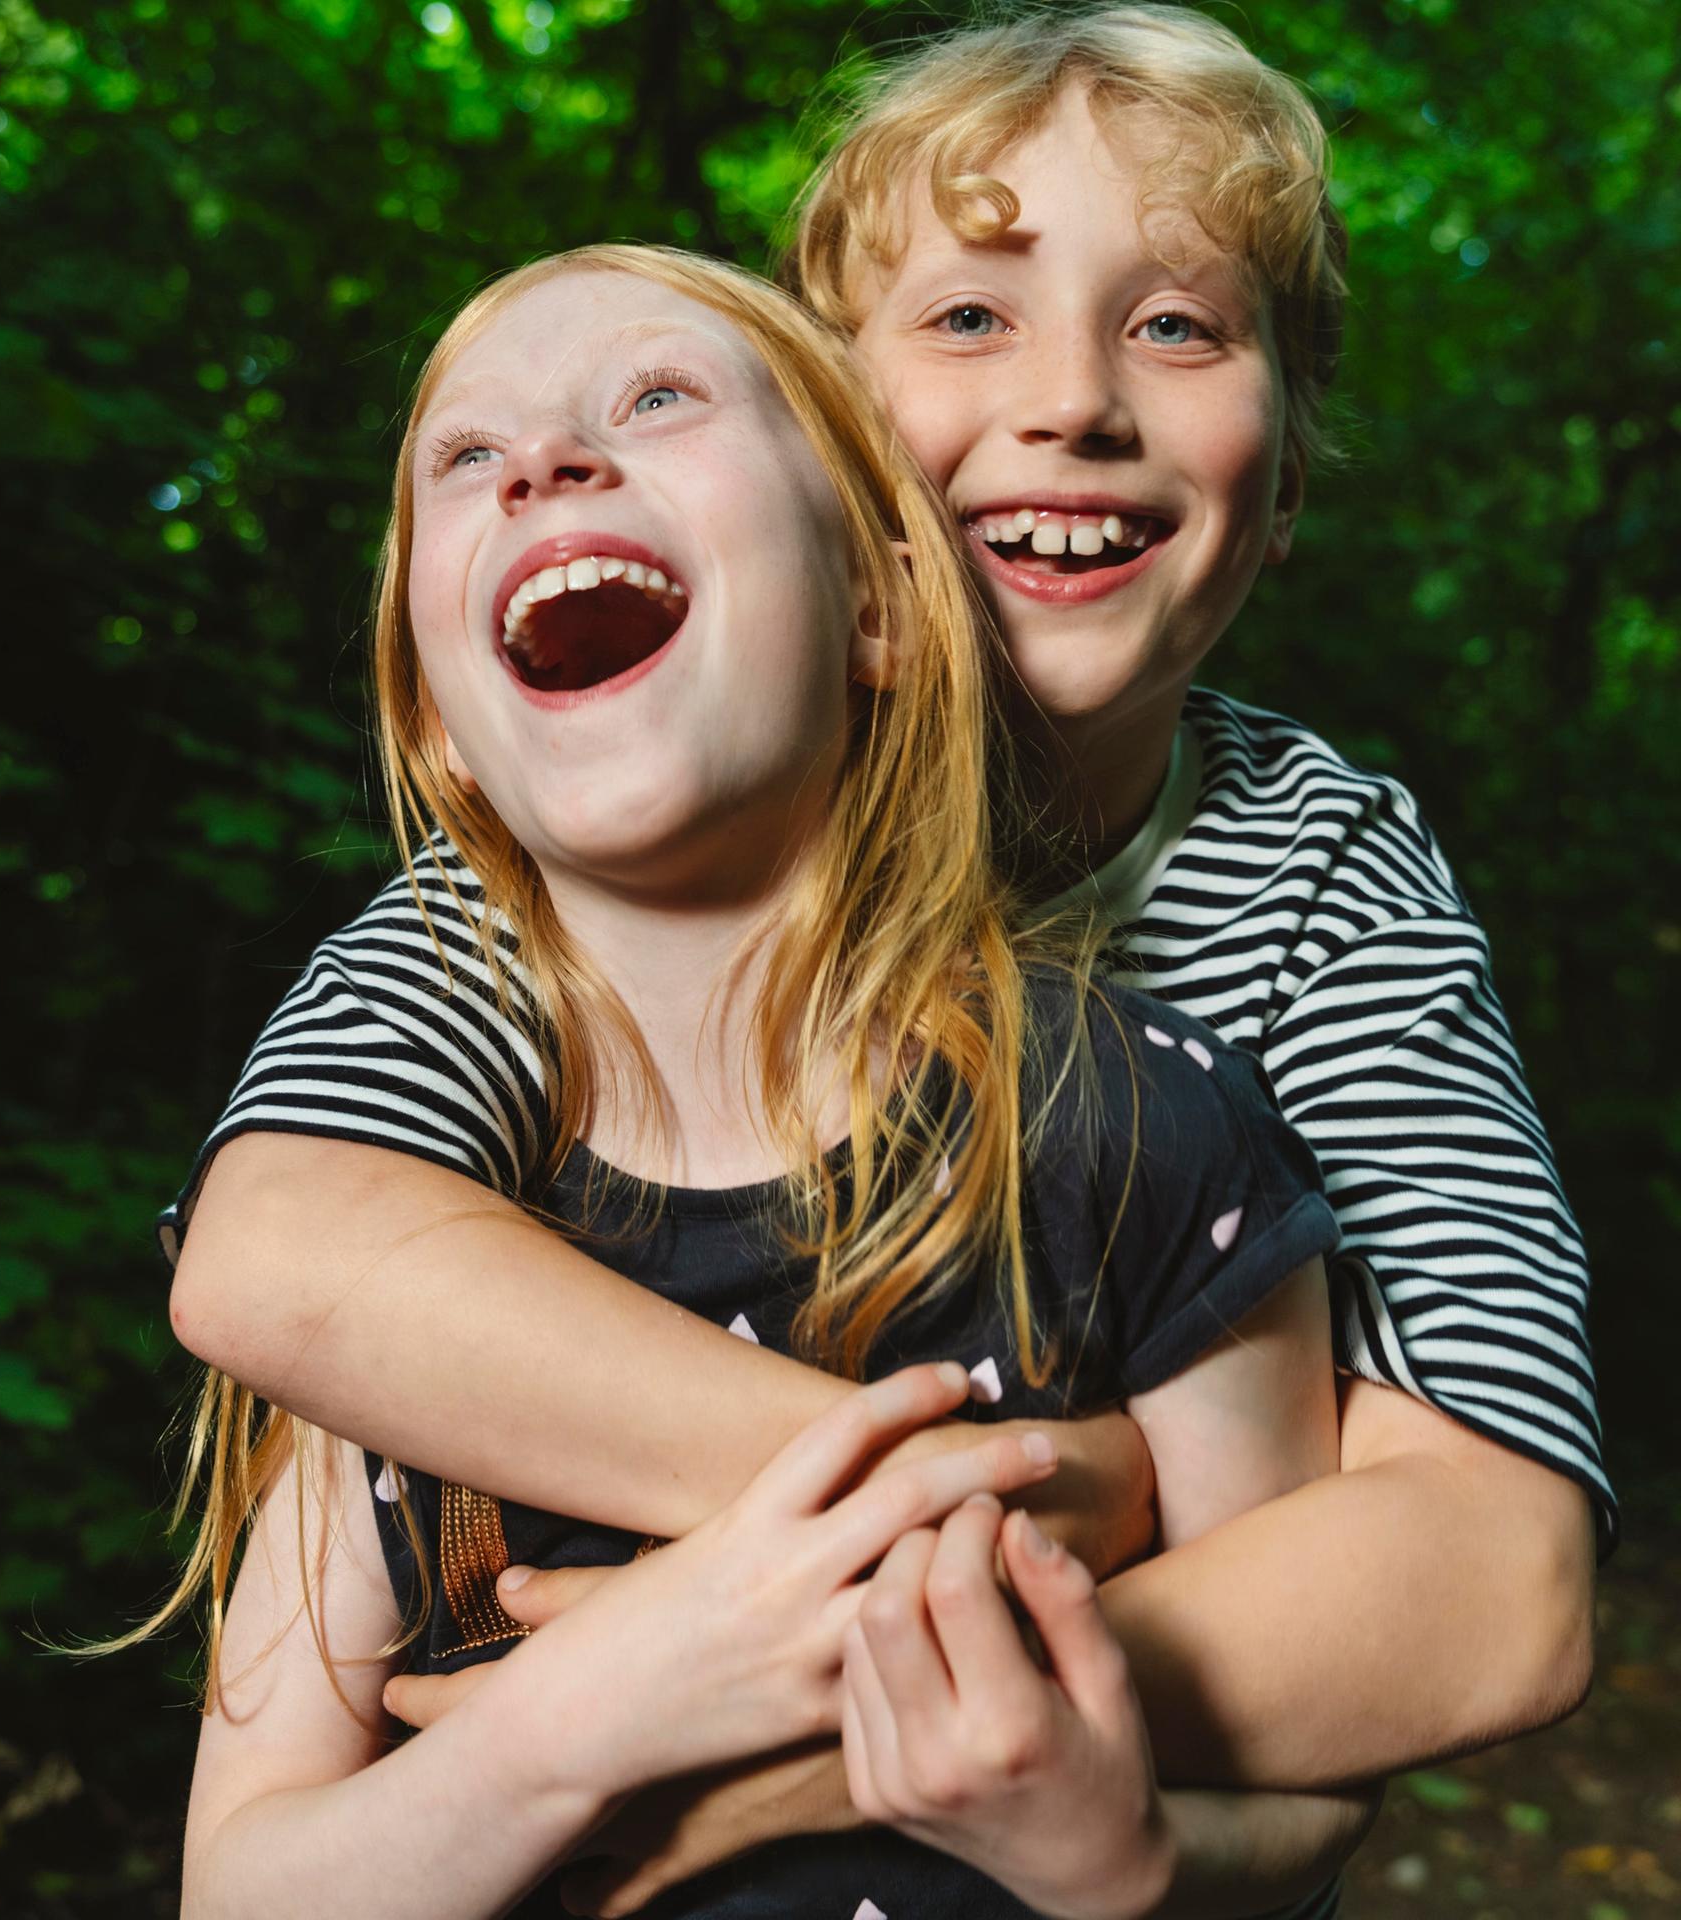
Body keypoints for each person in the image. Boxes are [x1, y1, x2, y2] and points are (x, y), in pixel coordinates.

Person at [167, 1, 1606, 1903]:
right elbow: (285, 1250)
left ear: (1289, 489)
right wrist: (1046, 1492)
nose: (1076, 398)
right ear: (834, 451)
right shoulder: (607, 853)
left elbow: (1493, 1592)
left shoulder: (1321, 871)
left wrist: (803, 1722)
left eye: (1177, 326)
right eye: (965, 316)